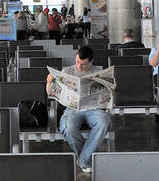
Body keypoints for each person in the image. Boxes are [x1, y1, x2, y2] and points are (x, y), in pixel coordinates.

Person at [45, 45, 111, 173]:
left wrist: (111, 88)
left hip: (94, 109)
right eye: (77, 62)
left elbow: (107, 96)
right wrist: (49, 82)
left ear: (91, 61)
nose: (79, 67)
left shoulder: (99, 72)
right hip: (72, 109)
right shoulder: (67, 72)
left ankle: (82, 160)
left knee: (103, 123)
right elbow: (51, 93)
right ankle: (85, 159)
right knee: (68, 128)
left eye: (84, 64)